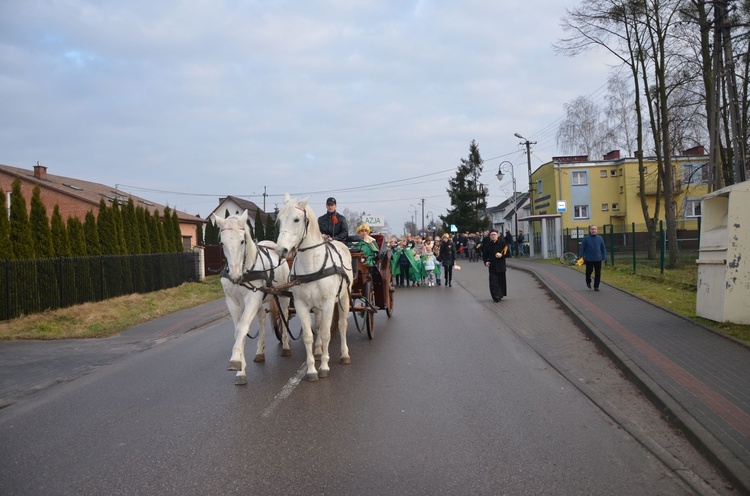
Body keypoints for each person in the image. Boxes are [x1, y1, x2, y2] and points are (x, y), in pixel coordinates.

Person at [481, 228, 508, 302]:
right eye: (492, 235)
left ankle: (500, 294)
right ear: (490, 236)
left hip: (501, 266)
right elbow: (484, 255)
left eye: (494, 235)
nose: (493, 236)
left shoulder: (502, 243)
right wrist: (486, 262)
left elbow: (507, 253)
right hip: (492, 266)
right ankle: (495, 295)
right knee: (493, 282)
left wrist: (501, 255)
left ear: (498, 235)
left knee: (500, 281)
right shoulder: (488, 244)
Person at [579, 225, 607, 291]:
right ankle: (588, 281)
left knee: (598, 273)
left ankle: (596, 286)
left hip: (598, 258)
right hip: (589, 259)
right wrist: (581, 257)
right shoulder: (586, 238)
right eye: (592, 229)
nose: (593, 230)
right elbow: (582, 248)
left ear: (597, 230)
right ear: (590, 230)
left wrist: (604, 256)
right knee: (589, 271)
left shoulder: (600, 238)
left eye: (595, 229)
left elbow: (603, 248)